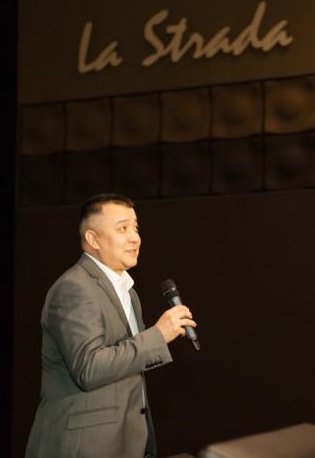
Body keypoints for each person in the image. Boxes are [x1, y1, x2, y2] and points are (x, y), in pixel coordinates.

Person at [25, 193, 197, 458]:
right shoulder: (73, 288)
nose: (134, 238)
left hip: (126, 441)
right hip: (83, 446)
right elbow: (89, 368)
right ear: (93, 239)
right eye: (122, 228)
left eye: (136, 228)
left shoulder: (129, 292)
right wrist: (157, 336)